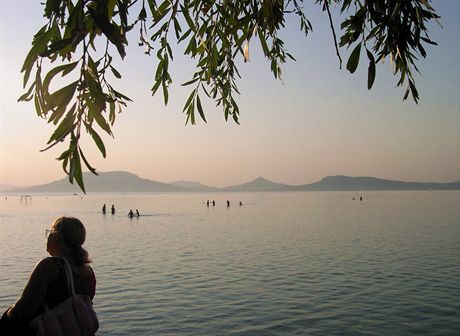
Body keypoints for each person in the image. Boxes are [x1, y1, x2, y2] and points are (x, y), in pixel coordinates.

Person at [0, 217, 96, 335]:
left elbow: (23, 311)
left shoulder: (50, 266)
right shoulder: (88, 271)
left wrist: (6, 317)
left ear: (58, 237)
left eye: (50, 232)